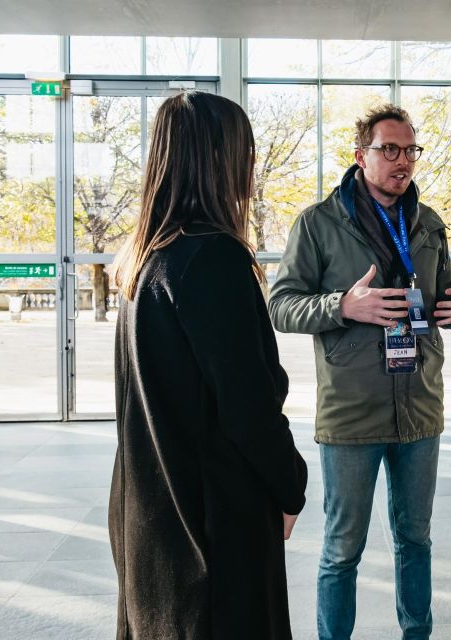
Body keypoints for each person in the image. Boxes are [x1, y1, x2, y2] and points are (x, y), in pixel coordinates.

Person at [268, 104, 451, 640]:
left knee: (416, 539)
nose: (402, 160)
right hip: (351, 412)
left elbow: (438, 305)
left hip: (420, 407)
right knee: (343, 548)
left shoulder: (428, 223)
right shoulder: (317, 224)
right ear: (360, 155)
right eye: (389, 149)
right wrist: (342, 306)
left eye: (410, 150)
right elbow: (280, 305)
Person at [109, 91, 308, 640]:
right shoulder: (212, 257)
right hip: (211, 518)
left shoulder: (147, 258)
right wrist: (290, 485)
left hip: (150, 512)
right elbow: (248, 406)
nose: (250, 166)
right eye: (245, 151)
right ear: (219, 160)